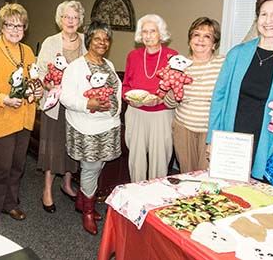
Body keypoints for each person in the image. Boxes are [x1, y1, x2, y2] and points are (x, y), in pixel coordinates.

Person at [206, 0, 273, 181]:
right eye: (263, 14)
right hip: (229, 142)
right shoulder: (237, 54)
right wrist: (211, 139)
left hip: (265, 146)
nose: (268, 21)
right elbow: (218, 97)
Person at [0, 3, 42, 227]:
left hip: (23, 117)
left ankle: (10, 203)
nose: (15, 29)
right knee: (1, 166)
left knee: (17, 165)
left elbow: (32, 79)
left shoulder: (28, 51)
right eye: (10, 25)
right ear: (1, 26)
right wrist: (3, 98)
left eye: (19, 25)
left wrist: (38, 89)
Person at [60, 20, 122, 235]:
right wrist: (88, 104)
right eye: (97, 38)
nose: (102, 43)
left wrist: (115, 112)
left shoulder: (109, 65)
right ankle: (88, 210)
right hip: (86, 126)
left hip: (108, 125)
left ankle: (81, 201)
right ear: (89, 41)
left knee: (100, 165)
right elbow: (66, 97)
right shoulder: (76, 68)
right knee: (91, 168)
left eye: (106, 39)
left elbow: (116, 93)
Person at [37, 0, 86, 213]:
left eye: (75, 17)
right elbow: (41, 71)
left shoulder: (85, 40)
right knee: (53, 146)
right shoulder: (51, 41)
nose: (71, 21)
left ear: (80, 20)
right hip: (55, 103)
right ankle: (47, 190)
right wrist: (51, 84)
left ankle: (66, 183)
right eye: (67, 17)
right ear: (60, 19)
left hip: (75, 103)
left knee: (72, 145)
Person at [164, 17, 225, 173]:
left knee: (206, 175)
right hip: (183, 128)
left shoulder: (223, 64)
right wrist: (172, 89)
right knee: (186, 174)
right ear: (190, 40)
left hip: (210, 131)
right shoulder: (178, 65)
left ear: (214, 44)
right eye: (196, 35)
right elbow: (169, 104)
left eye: (207, 36)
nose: (200, 40)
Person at [122, 14, 177, 183]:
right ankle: (136, 192)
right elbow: (126, 86)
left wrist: (160, 99)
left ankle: (156, 195)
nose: (148, 35)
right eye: (144, 31)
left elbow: (176, 86)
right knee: (136, 159)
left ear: (160, 33)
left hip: (161, 114)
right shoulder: (133, 56)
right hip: (136, 112)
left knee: (159, 160)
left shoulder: (172, 56)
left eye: (152, 31)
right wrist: (129, 98)